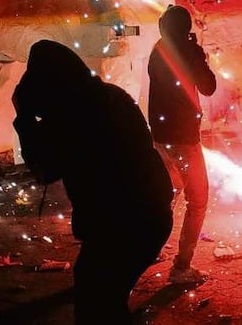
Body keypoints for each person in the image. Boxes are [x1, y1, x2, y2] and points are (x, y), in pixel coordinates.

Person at [12, 40, 173, 325]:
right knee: (105, 299)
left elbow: (44, 170)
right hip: (153, 215)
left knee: (97, 305)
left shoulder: (70, 115)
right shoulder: (111, 95)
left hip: (119, 227)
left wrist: (24, 118)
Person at [146, 4, 217, 285]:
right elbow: (209, 86)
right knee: (198, 200)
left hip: (162, 137)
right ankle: (181, 268)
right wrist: (199, 54)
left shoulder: (158, 50)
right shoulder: (187, 52)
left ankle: (149, 248)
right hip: (184, 139)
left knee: (168, 193)